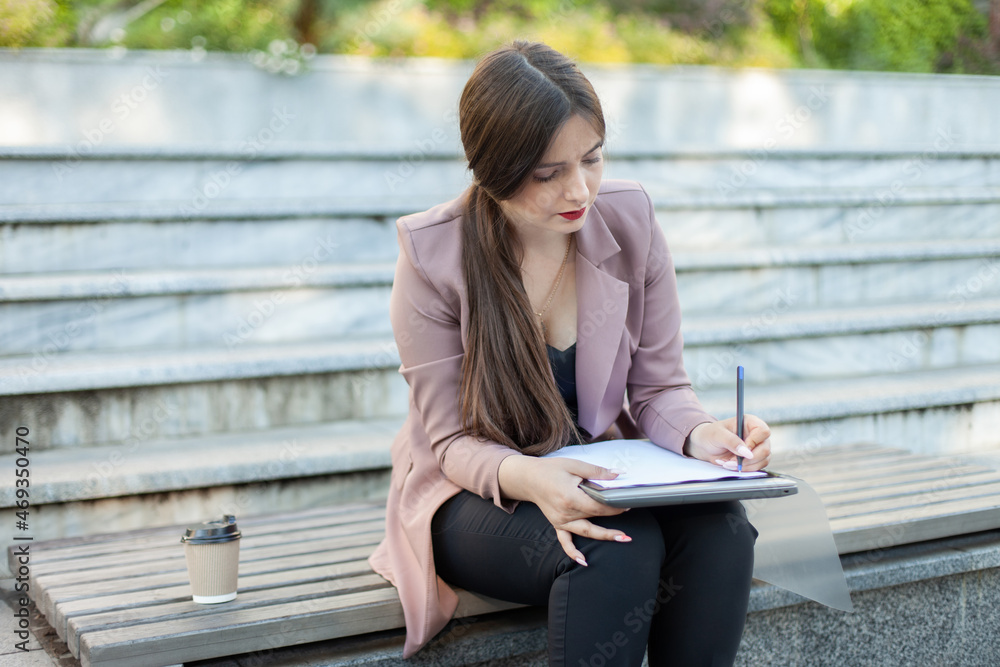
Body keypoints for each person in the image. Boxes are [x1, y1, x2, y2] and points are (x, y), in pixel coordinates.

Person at [367, 40, 773, 666]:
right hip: (475, 488)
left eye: (592, 159)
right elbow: (449, 444)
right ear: (490, 168)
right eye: (548, 173)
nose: (579, 189)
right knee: (618, 544)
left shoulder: (629, 219)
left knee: (721, 529)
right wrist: (534, 479)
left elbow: (659, 389)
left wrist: (702, 438)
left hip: (593, 464)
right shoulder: (432, 254)